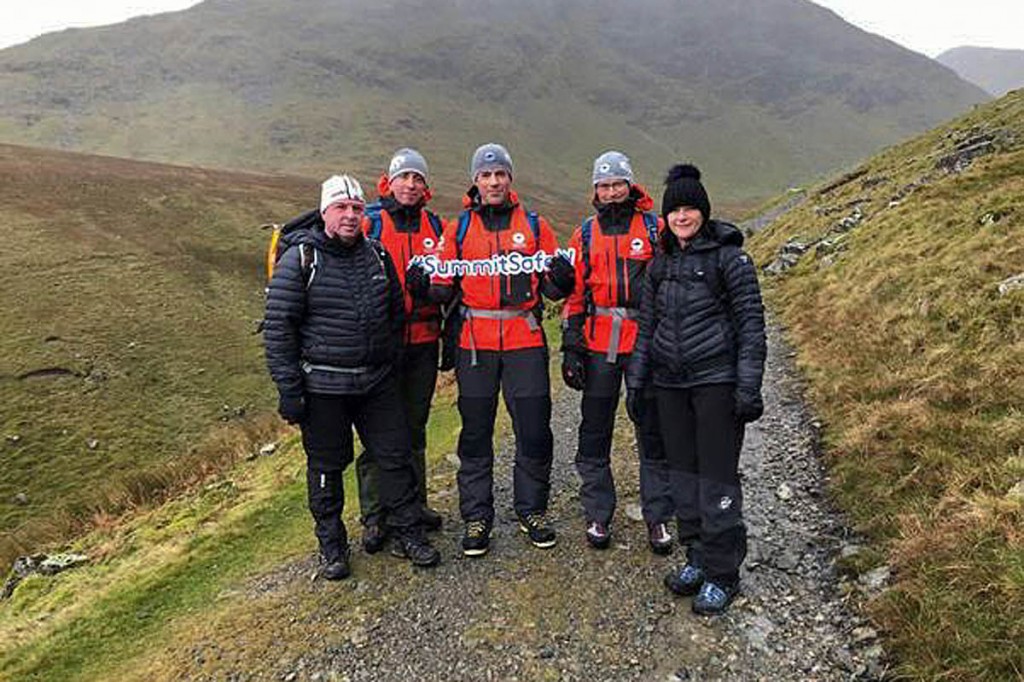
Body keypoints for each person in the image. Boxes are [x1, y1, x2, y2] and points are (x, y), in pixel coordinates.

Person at [264, 173, 441, 579]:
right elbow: (279, 329)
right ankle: (332, 545)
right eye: (341, 207)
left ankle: (408, 533)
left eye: (357, 208)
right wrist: (290, 390)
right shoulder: (301, 259)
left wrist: (389, 360)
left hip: (376, 383)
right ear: (324, 212)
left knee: (395, 457)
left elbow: (395, 312)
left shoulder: (376, 254)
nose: (349, 215)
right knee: (327, 466)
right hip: (323, 387)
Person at [409, 143, 574, 557]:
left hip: (525, 341)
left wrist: (563, 279)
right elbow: (443, 286)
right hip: (474, 345)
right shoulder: (459, 229)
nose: (494, 181)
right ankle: (476, 516)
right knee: (476, 433)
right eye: (486, 175)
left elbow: (552, 290)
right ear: (476, 181)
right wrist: (422, 287)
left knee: (534, 431)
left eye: (500, 174)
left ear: (510, 178)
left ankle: (532, 510)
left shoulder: (535, 226)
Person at [626, 164, 766, 615]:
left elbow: (751, 326)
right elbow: (647, 328)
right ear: (665, 216)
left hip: (715, 383)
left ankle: (723, 574)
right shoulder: (659, 264)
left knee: (716, 476)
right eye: (674, 210)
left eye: (689, 208)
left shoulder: (730, 259)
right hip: (669, 385)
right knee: (682, 475)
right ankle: (697, 558)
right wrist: (637, 383)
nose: (682, 217)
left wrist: (748, 386)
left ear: (703, 212)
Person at [561, 151, 675, 553]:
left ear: (630, 185)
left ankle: (658, 517)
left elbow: (674, 283)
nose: (610, 193)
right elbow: (575, 294)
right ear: (595, 190)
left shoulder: (655, 228)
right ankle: (597, 512)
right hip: (598, 344)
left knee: (652, 429)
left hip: (646, 342)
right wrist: (571, 343)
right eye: (603, 186)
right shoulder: (584, 235)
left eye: (617, 185)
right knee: (594, 429)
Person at [355, 148, 447, 554]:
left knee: (415, 426)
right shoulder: (370, 222)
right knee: (378, 430)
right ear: (388, 181)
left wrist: (437, 297)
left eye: (417, 178)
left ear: (426, 186)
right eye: (404, 177)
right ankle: (374, 515)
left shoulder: (435, 226)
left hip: (424, 342)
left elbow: (449, 280)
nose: (410, 184)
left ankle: (414, 504)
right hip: (381, 346)